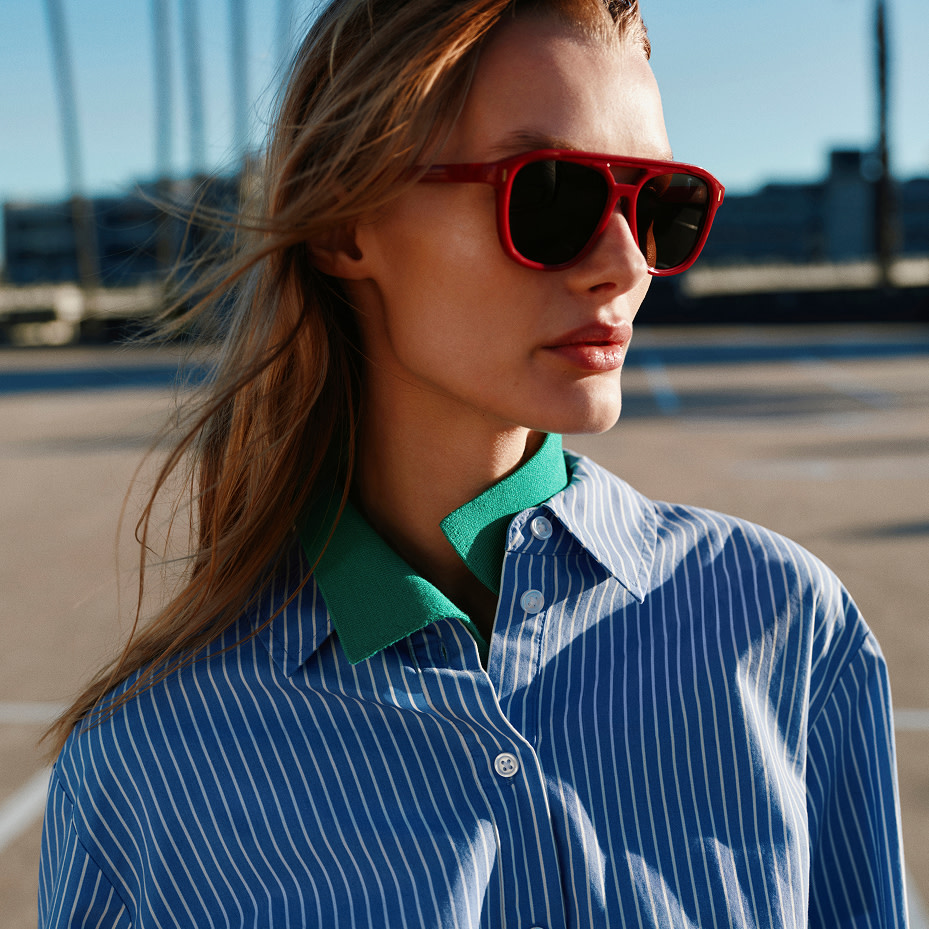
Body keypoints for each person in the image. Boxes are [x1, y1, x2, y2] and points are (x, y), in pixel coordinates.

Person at [39, 0, 907, 926]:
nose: (624, 265)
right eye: (553, 195)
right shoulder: (149, 761)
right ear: (346, 226)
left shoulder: (785, 626)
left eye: (659, 204)